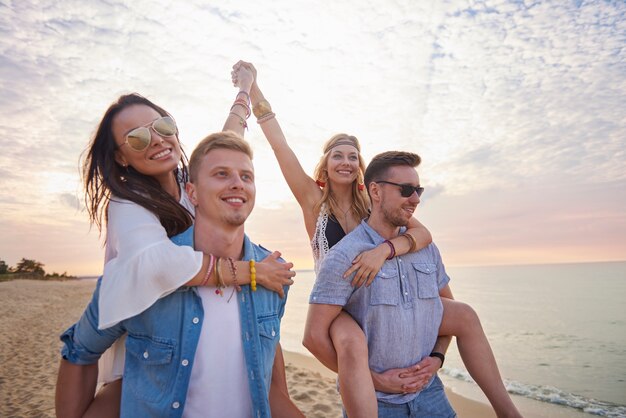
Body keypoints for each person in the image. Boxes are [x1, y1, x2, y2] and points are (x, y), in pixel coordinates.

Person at [239, 61, 521, 417]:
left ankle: (507, 411)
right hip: (340, 302)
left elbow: (423, 234)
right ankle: (375, 385)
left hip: (375, 294)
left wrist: (385, 251)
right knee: (352, 341)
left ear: (362, 169)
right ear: (325, 164)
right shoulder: (313, 201)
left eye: (353, 157)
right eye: (337, 156)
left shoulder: (371, 206)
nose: (345, 162)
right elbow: (280, 146)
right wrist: (254, 89)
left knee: (462, 314)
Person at [55, 64, 296, 417]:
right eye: (137, 137)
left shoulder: (189, 180)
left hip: (193, 301)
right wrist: (253, 273)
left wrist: (245, 90)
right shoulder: (127, 203)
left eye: (163, 127)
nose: (156, 140)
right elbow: (158, 266)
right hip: (142, 314)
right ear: (121, 155)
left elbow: (228, 140)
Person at [304, 151, 457, 416]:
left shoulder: (425, 248)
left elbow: (449, 316)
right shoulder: (345, 255)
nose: (416, 199)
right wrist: (375, 379)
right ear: (375, 191)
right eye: (407, 189)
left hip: (429, 393)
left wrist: (437, 359)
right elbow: (313, 338)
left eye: (418, 189)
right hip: (376, 402)